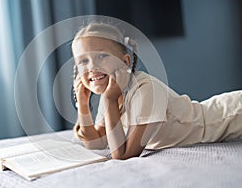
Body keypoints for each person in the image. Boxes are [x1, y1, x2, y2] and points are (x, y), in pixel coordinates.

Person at [71, 22, 242, 160]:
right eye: (83, 61)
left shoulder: (146, 90)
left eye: (102, 56)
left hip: (230, 115)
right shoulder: (112, 93)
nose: (92, 66)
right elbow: (96, 143)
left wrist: (109, 100)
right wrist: (83, 105)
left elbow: (123, 154)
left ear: (125, 62)